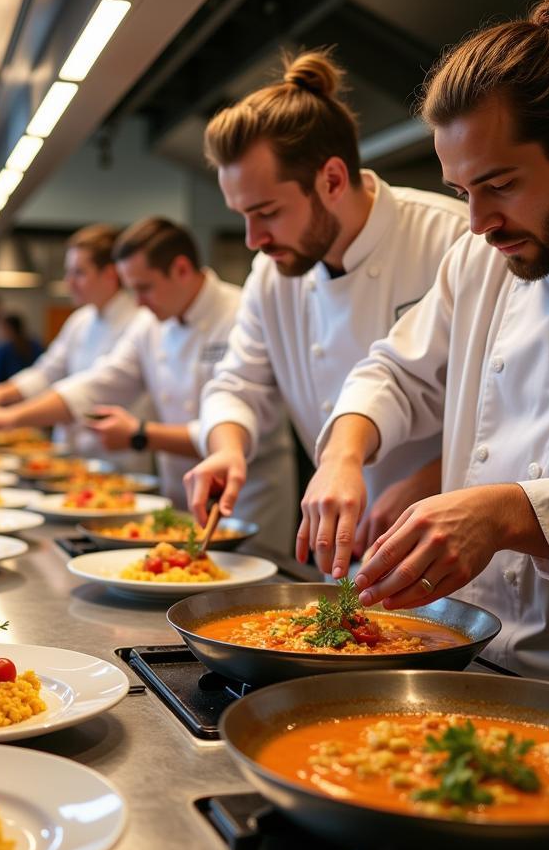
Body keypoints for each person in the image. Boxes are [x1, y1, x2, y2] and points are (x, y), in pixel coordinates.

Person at [304, 0, 549, 711]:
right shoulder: (483, 256)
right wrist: (344, 455)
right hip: (461, 653)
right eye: (461, 193)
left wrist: (505, 512)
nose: (477, 222)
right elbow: (398, 370)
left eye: (500, 185)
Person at [183, 49, 469, 558]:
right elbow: (238, 383)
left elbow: (505, 410)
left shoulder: (451, 239)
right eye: (241, 216)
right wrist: (226, 448)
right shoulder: (274, 274)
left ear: (332, 180)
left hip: (449, 536)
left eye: (266, 212)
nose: (252, 239)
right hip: (339, 545)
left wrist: (434, 482)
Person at [0, 217, 298, 539]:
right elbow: (98, 383)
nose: (137, 301)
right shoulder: (150, 323)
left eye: (145, 288)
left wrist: (141, 435)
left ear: (181, 269)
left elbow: (238, 421)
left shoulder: (239, 312)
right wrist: (11, 416)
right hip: (178, 488)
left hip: (249, 494)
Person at [0, 224, 153, 469]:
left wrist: (11, 417)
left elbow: (93, 388)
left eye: (79, 273)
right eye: (68, 272)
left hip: (118, 459)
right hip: (72, 455)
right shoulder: (81, 320)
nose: (68, 282)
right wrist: (1, 393)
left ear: (110, 273)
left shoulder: (140, 320)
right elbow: (47, 371)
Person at [0, 313, 44, 384]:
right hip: (31, 386)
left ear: (8, 328)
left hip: (6, 389)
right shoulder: (35, 344)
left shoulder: (2, 349)